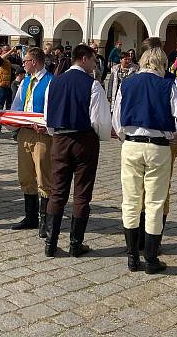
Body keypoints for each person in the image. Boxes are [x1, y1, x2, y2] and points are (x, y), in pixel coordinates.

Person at [112, 47, 177, 274]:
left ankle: (132, 257)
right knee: (154, 202)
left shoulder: (127, 83)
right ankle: (150, 258)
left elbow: (117, 119)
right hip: (157, 147)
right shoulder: (168, 84)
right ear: (161, 64)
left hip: (131, 145)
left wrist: (126, 136)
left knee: (130, 201)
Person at [43, 44, 111, 257]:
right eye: (93, 60)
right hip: (84, 140)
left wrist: (57, 132)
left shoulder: (54, 82)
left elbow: (48, 117)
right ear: (83, 58)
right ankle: (75, 243)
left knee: (57, 191)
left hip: (60, 139)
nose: (94, 65)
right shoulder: (92, 85)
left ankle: (50, 243)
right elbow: (100, 121)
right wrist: (100, 137)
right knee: (82, 193)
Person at [10, 47, 54, 235]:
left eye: (25, 61)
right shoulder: (25, 81)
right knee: (26, 175)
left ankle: (45, 219)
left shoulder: (50, 81)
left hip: (42, 135)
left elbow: (51, 109)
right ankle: (30, 217)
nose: (23, 64)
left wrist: (45, 125)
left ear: (34, 62)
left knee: (44, 176)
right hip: (25, 133)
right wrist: (12, 122)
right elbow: (17, 106)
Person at [0, 46, 15, 135]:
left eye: (8, 50)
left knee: (9, 107)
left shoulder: (9, 60)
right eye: (6, 50)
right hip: (2, 86)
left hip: (9, 86)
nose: (8, 52)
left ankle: (10, 126)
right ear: (1, 51)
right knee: (0, 107)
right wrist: (10, 51)